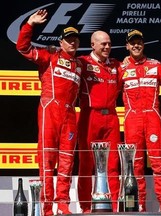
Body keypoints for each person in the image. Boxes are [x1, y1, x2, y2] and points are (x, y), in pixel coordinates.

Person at [16, 10, 82, 215]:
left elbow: (101, 65)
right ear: (61, 42)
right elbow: (23, 47)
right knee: (47, 159)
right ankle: (45, 207)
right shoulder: (49, 55)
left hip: (70, 114)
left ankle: (63, 203)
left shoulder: (81, 64)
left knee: (67, 160)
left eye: (75, 40)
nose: (72, 43)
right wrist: (29, 24)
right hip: (50, 109)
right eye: (68, 40)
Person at [119, 29, 161, 212]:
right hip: (132, 120)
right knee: (133, 165)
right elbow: (107, 90)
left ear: (143, 44)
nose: (136, 45)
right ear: (127, 46)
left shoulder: (156, 65)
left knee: (157, 162)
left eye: (139, 42)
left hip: (152, 117)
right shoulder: (121, 68)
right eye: (132, 43)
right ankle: (135, 205)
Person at [77, 30, 121, 213]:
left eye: (109, 43)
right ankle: (86, 207)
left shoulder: (117, 65)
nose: (107, 47)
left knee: (113, 164)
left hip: (111, 117)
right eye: (103, 44)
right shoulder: (82, 62)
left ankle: (116, 207)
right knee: (86, 164)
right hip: (89, 116)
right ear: (92, 44)